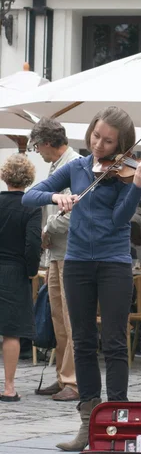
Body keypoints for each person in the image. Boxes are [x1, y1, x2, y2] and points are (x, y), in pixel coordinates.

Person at [22, 106, 141, 451]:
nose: (99, 144)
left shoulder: (126, 173)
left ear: (121, 143)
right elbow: (28, 196)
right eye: (96, 136)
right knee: (82, 341)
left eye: (109, 141)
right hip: (77, 262)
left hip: (114, 263)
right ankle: (89, 424)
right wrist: (57, 195)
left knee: (113, 342)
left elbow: (118, 220)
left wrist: (137, 188)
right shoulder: (77, 168)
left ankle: (119, 422)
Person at [29, 117, 81, 402]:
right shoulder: (56, 166)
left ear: (48, 143)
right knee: (58, 319)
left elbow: (72, 214)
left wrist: (47, 229)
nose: (37, 151)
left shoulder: (73, 166)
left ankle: (73, 381)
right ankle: (63, 377)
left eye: (37, 146)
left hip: (71, 252)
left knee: (71, 320)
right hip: (56, 253)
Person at [0, 154, 41, 401]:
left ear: (5, 176)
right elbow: (33, 244)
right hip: (15, 271)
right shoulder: (31, 207)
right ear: (28, 179)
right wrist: (31, 270)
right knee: (11, 332)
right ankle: (9, 387)